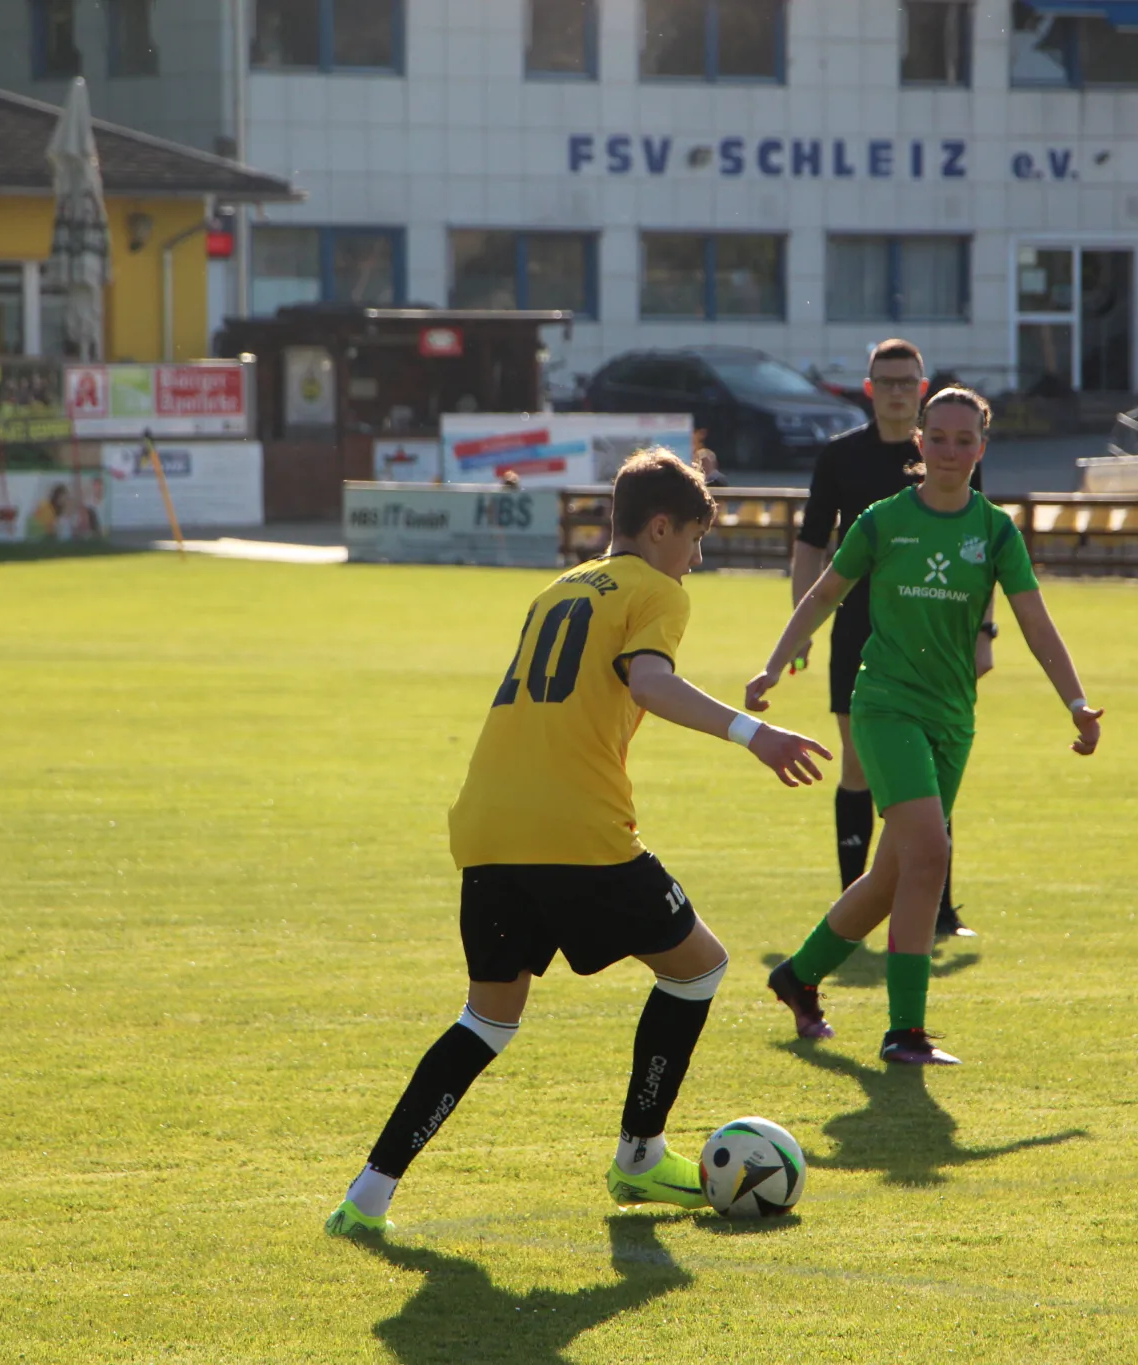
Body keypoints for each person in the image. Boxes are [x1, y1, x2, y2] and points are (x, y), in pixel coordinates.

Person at [325, 451, 829, 1235]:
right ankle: (639, 1155)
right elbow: (649, 682)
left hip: (487, 824)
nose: (696, 559)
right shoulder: (657, 590)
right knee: (699, 967)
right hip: (576, 829)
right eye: (694, 539)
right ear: (659, 528)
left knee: (488, 1019)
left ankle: (366, 1196)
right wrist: (754, 733)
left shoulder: (558, 587)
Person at [749, 390, 1103, 1066]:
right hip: (885, 706)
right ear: (918, 442)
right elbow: (825, 592)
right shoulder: (884, 521)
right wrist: (773, 665)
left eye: (964, 440)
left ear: (982, 448)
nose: (949, 451)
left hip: (953, 718)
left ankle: (798, 976)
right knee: (931, 854)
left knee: (891, 877)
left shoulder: (995, 531)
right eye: (937, 437)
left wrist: (1077, 703)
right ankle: (905, 1032)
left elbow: (1034, 621)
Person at [791, 339, 994, 940]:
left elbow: (979, 546)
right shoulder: (840, 457)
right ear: (869, 389)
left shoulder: (950, 449)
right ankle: (850, 907)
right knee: (857, 766)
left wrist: (985, 631)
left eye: (908, 382)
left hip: (938, 632)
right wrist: (800, 628)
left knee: (931, 770)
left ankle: (941, 910)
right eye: (887, 382)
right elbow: (810, 544)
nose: (898, 392)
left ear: (923, 389)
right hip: (858, 629)